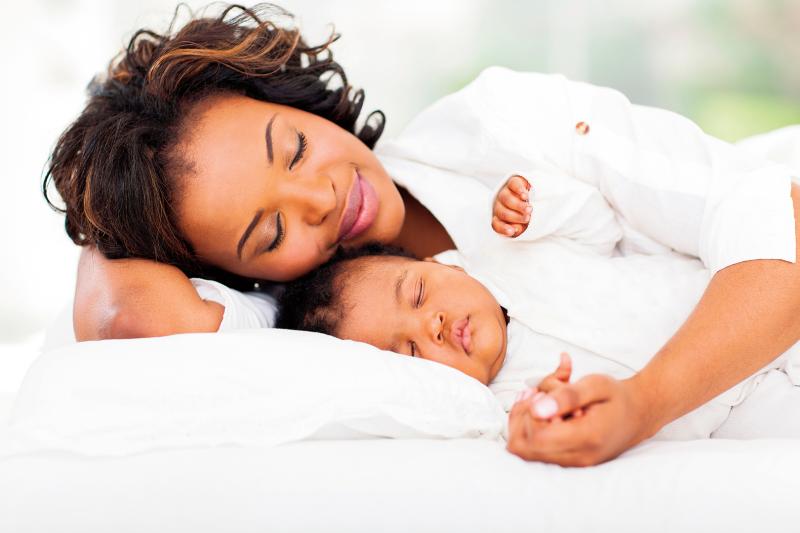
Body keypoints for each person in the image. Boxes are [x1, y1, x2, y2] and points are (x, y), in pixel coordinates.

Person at [43, 3, 800, 466]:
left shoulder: (502, 125)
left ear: (297, 100)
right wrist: (117, 188)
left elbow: (777, 226)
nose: (323, 198)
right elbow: (123, 316)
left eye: (296, 148)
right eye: (268, 229)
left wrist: (645, 403)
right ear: (234, 270)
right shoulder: (309, 322)